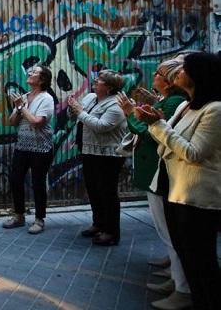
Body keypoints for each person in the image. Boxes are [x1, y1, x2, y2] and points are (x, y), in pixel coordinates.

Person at [136, 52, 221, 309]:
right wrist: (153, 121)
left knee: (202, 260)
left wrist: (157, 124)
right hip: (175, 189)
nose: (178, 72)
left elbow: (193, 152)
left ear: (199, 75)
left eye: (184, 69)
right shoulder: (186, 106)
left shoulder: (214, 110)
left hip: (197, 197)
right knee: (186, 254)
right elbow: (165, 140)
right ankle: (190, 295)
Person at [117, 60, 191, 308]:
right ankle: (176, 278)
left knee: (170, 232)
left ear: (168, 81)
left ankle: (182, 285)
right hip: (155, 171)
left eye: (159, 73)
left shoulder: (175, 102)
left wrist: (131, 112)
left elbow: (149, 132)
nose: (155, 75)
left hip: (160, 172)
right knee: (168, 231)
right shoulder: (171, 101)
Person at [68, 69, 127, 246]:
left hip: (108, 155)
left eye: (99, 80)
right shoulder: (91, 98)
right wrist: (73, 109)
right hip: (89, 150)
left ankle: (111, 232)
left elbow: (101, 126)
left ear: (109, 88)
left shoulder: (116, 106)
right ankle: (98, 223)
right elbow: (78, 118)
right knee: (93, 189)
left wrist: (80, 112)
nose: (95, 81)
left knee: (107, 193)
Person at [2, 65, 55, 234]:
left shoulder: (46, 99)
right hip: (23, 146)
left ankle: (39, 220)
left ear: (42, 79)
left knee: (38, 183)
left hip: (41, 148)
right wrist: (18, 108)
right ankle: (19, 216)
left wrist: (21, 107)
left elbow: (36, 122)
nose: (30, 73)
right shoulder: (24, 97)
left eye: (34, 72)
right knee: (16, 179)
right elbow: (12, 121)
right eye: (30, 71)